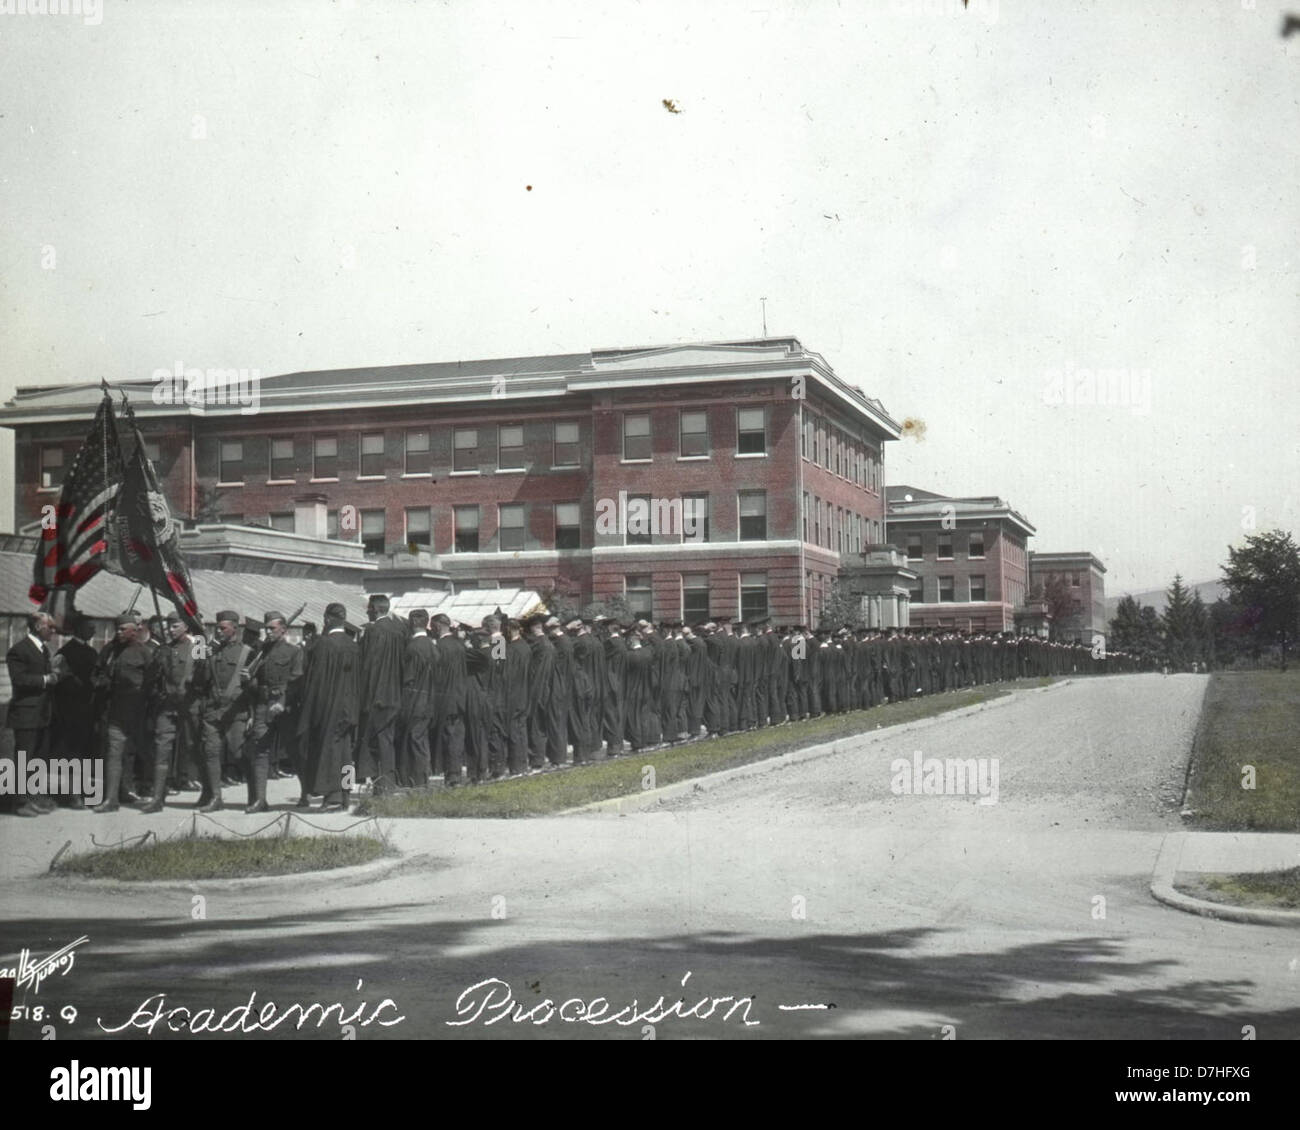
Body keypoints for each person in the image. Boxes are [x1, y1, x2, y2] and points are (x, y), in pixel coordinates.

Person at [296, 603, 359, 811]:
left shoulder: (324, 645)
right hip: (349, 707)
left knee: (328, 752)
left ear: (327, 619)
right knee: (346, 753)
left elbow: (316, 680)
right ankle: (346, 794)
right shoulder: (353, 645)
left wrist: (310, 710)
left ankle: (330, 795)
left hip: (328, 705)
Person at [141, 613, 202, 814]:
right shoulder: (164, 649)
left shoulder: (199, 647)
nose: (170, 629)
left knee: (195, 748)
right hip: (167, 706)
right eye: (168, 626)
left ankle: (209, 792)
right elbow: (153, 678)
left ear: (186, 626)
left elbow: (206, 676)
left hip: (190, 706)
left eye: (175, 625)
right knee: (161, 750)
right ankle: (158, 797)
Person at [244, 610, 304, 813]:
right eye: (266, 629)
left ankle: (305, 793)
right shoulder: (259, 652)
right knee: (260, 751)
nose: (268, 632)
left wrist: (282, 701)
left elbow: (296, 681)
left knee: (294, 751)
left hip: (285, 707)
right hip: (263, 705)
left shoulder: (294, 652)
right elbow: (255, 684)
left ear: (283, 629)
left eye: (272, 628)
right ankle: (260, 800)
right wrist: (248, 679)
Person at [196, 611, 253, 813]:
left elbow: (252, 686)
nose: (219, 632)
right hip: (212, 710)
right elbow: (200, 680)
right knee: (211, 753)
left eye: (223, 628)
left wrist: (251, 714)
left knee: (240, 754)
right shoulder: (212, 651)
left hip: (236, 711)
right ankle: (215, 797)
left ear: (235, 628)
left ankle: (255, 796)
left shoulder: (247, 652)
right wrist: (203, 656)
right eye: (217, 628)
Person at [4, 611, 59, 817]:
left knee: (36, 758)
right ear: (38, 627)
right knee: (23, 758)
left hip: (41, 713)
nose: (53, 631)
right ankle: (18, 803)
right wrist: (46, 679)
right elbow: (19, 679)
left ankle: (30, 797)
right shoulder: (19, 651)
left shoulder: (43, 650)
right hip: (26, 714)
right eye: (50, 627)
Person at [95, 613, 151, 813]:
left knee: (136, 753)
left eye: (122, 629)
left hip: (137, 713)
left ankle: (135, 790)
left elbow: (153, 683)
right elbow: (98, 673)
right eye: (116, 629)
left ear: (134, 631)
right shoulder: (110, 650)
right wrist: (102, 683)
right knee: (114, 753)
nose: (117, 633)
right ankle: (111, 799)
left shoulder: (145, 653)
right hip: (115, 711)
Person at [356, 594, 407, 796]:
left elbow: (368, 666)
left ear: (375, 609)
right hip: (395, 694)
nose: (367, 611)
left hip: (376, 694)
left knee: (375, 742)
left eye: (369, 608)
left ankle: (381, 786)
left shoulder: (373, 632)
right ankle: (387, 784)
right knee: (387, 739)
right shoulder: (399, 631)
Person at [398, 609, 437, 787]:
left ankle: (418, 781)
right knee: (421, 739)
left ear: (413, 623)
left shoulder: (413, 648)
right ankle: (422, 778)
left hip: (414, 702)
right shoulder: (432, 646)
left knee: (414, 739)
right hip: (430, 700)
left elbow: (408, 679)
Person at [431, 613, 469, 786]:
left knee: (448, 737)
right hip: (460, 696)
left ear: (438, 625)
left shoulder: (439, 646)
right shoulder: (460, 646)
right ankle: (456, 772)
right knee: (457, 736)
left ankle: (451, 775)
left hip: (445, 697)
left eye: (432, 626)